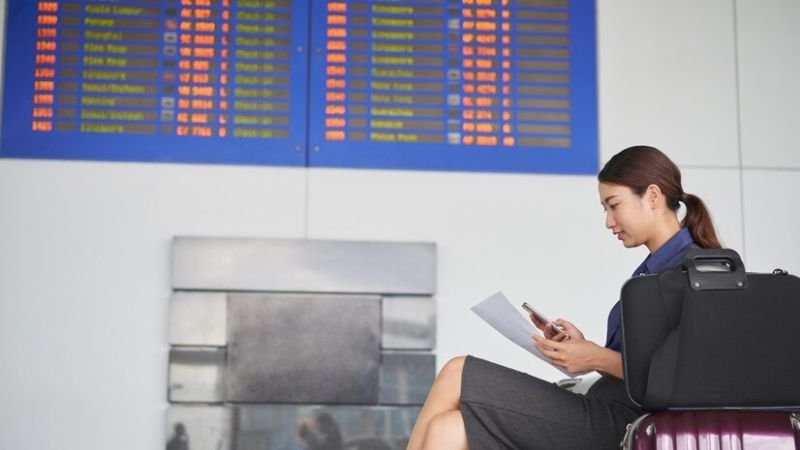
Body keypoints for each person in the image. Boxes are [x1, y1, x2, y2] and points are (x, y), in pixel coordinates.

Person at [405, 146, 722, 450]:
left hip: (630, 423)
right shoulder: (652, 271)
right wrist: (582, 349)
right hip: (606, 408)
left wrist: (595, 356)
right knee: (448, 428)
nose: (609, 221)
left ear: (652, 196)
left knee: (458, 371)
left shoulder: (697, 273)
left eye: (614, 205)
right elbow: (639, 370)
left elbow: (686, 378)